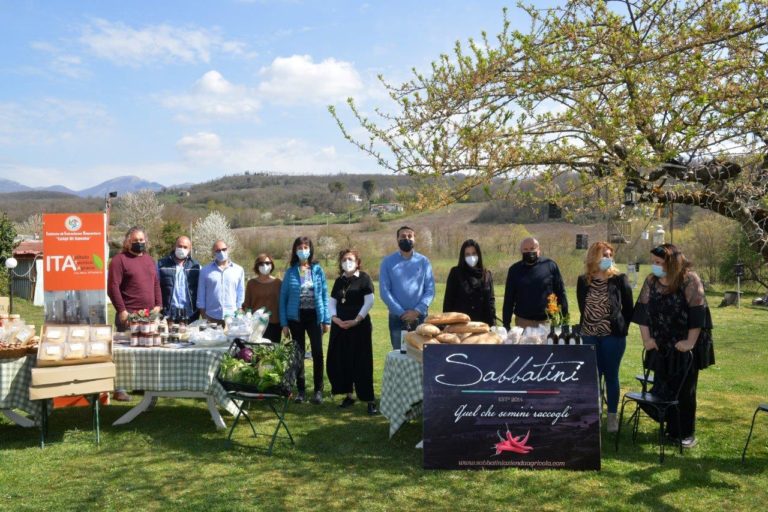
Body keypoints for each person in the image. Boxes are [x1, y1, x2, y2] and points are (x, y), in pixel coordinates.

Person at [632, 243, 714, 449]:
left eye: (658, 262)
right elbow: (642, 312)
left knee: (685, 391)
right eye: (653, 262)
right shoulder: (651, 281)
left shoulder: (690, 280)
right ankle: (670, 429)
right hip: (661, 344)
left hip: (685, 344)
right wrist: (647, 340)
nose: (655, 266)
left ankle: (685, 433)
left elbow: (698, 315)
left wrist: (689, 343)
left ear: (672, 263)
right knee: (664, 386)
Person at [576, 241, 634, 433]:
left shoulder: (619, 279)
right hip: (589, 335)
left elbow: (629, 308)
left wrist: (621, 328)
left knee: (611, 375)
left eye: (610, 255)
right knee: (593, 376)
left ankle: (612, 417)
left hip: (613, 337)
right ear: (594, 257)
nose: (608, 258)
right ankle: (595, 414)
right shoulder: (583, 280)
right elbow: (582, 307)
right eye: (604, 255)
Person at [107, 226, 162, 401]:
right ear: (127, 242)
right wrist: (121, 310)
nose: (139, 243)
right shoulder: (119, 260)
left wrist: (158, 304)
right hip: (128, 315)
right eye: (135, 240)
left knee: (146, 352)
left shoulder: (149, 260)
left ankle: (141, 385)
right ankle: (120, 389)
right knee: (124, 354)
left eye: (141, 240)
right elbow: (113, 287)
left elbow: (155, 283)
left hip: (149, 316)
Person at [326, 249, 379, 415]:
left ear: (357, 262)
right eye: (344, 259)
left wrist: (357, 320)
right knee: (343, 361)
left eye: (350, 259)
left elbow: (369, 301)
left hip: (359, 326)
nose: (347, 262)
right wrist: (334, 318)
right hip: (340, 326)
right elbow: (332, 302)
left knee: (362, 362)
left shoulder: (364, 278)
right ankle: (349, 395)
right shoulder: (339, 281)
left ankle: (369, 399)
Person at [279, 236, 331, 404]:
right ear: (295, 250)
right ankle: (301, 391)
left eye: (306, 247)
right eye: (300, 247)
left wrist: (326, 320)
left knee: (317, 353)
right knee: (299, 354)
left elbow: (324, 295)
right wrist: (284, 324)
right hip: (296, 318)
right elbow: (283, 299)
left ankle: (318, 390)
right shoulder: (290, 272)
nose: (303, 250)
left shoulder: (317, 270)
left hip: (315, 316)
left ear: (310, 249)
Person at [379, 226, 435, 350]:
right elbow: (384, 291)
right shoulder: (387, 262)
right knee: (399, 354)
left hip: (420, 317)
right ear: (397, 239)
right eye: (403, 236)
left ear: (415, 239)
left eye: (410, 236)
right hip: (397, 318)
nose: (406, 238)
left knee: (422, 355)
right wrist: (401, 313)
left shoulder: (424, 261)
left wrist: (417, 311)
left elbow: (430, 290)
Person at [502, 237, 568, 329]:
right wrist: (506, 324)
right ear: (521, 251)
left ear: (538, 250)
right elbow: (509, 299)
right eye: (525, 249)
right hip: (522, 322)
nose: (529, 252)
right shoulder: (514, 270)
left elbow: (561, 293)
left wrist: (564, 320)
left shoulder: (550, 266)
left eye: (532, 248)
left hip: (547, 322)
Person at [443, 239, 496, 325]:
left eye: (474, 253)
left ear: (478, 254)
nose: (471, 257)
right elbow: (448, 301)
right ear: (463, 257)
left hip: (482, 325)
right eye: (467, 254)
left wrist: (493, 323)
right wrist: (445, 324)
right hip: (460, 325)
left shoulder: (486, 274)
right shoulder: (456, 273)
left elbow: (491, 301)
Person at [196, 240, 245, 325]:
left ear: (228, 249)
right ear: (213, 253)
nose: (221, 252)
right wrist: (203, 315)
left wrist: (239, 310)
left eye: (224, 249)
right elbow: (201, 293)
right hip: (211, 316)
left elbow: (240, 292)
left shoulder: (238, 270)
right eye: (218, 250)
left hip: (232, 316)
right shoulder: (205, 271)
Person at [157, 235, 201, 322]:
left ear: (190, 249)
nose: (182, 249)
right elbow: (155, 287)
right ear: (174, 246)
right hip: (168, 315)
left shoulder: (196, 267)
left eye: (185, 247)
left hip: (190, 315)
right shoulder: (161, 265)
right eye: (179, 246)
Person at [243, 253, 282, 343]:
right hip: (256, 324)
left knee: (273, 350)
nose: (265, 265)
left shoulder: (278, 283)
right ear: (257, 266)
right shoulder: (251, 283)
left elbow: (282, 304)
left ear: (272, 265)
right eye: (261, 263)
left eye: (267, 263)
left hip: (274, 324)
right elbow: (247, 304)